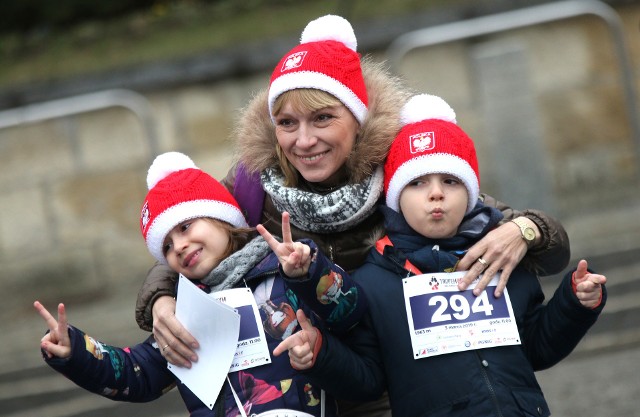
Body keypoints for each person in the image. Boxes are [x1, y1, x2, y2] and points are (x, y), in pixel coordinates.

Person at [134, 14, 571, 417]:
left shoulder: (404, 166)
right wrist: (161, 300)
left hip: (398, 388)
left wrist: (524, 229)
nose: (304, 141)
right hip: (299, 393)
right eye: (287, 123)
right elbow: (188, 234)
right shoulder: (255, 182)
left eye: (323, 118)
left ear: (358, 118)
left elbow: (533, 239)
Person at [275, 94, 607, 417]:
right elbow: (368, 381)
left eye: (450, 180)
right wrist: (320, 353)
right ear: (394, 198)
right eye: (417, 183)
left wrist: (575, 303)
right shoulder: (372, 284)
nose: (436, 193)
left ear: (472, 194)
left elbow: (537, 347)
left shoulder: (501, 259)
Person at [34, 151, 355, 417]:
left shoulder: (287, 269)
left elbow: (350, 310)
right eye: (167, 246)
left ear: (222, 218)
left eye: (186, 226)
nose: (180, 246)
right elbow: (138, 373)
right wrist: (75, 351)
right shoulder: (183, 310)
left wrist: (310, 273)